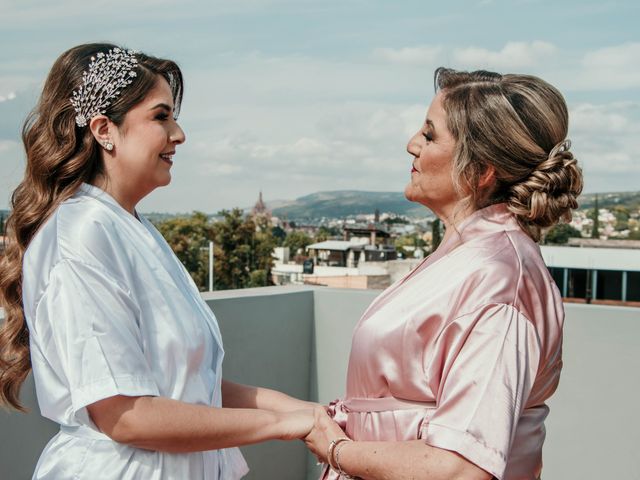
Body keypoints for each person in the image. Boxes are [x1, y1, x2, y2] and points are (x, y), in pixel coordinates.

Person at [0, 43, 315, 479]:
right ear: (104, 129)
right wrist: (281, 424)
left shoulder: (132, 228)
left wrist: (304, 411)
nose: (179, 134)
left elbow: (184, 385)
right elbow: (124, 415)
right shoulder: (82, 233)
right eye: (161, 116)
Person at [304, 68, 583, 480]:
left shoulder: (500, 281)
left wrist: (337, 450)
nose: (411, 144)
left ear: (481, 170)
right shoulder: (468, 258)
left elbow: (461, 467)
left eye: (430, 135)